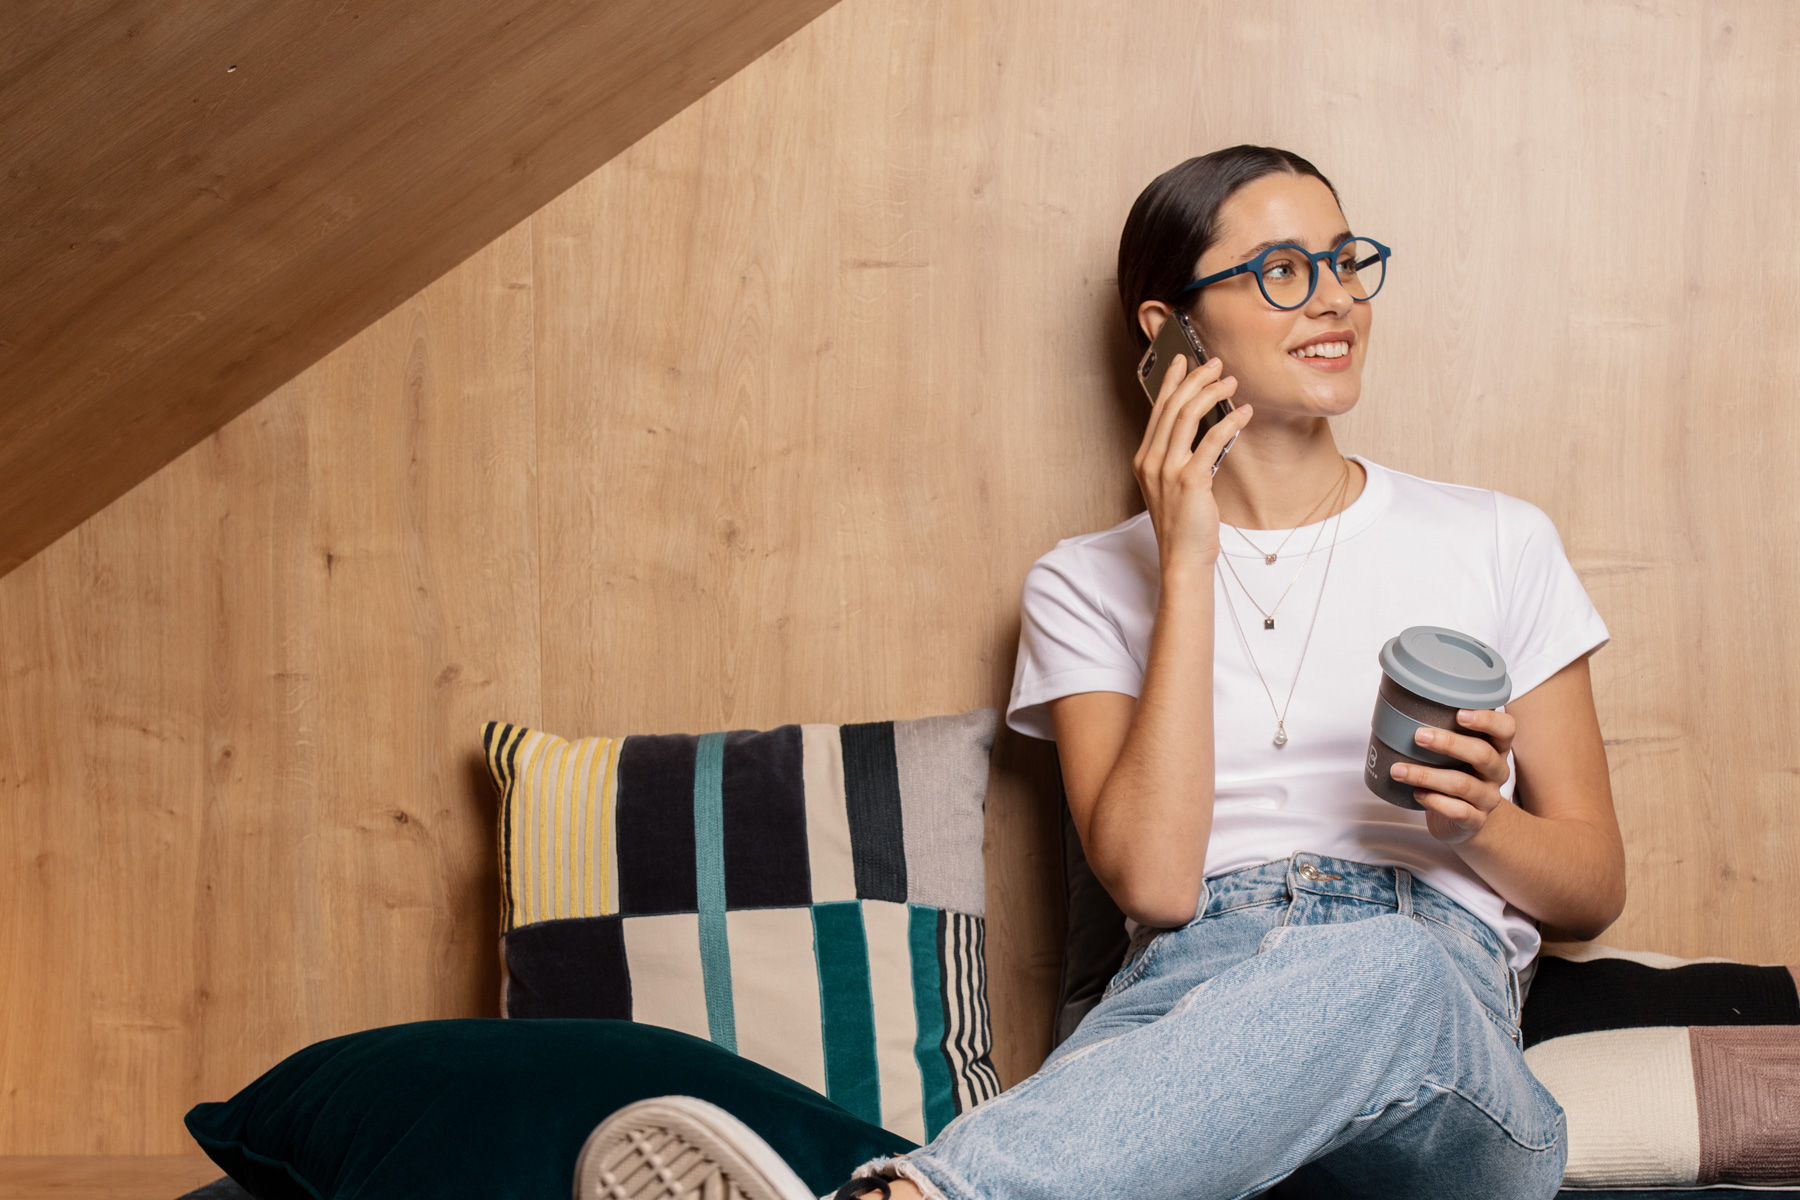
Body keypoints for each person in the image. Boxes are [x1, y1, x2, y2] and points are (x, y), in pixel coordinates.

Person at [577, 145, 1625, 1200]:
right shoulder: (1082, 584)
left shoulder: (1494, 539)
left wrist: (1478, 821)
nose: (1337, 299)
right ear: (1170, 329)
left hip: (1440, 1026)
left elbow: (1593, 890)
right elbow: (1158, 884)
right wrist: (1187, 557)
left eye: (1345, 260)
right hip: (1187, 998)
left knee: (1384, 964)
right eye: (1282, 270)